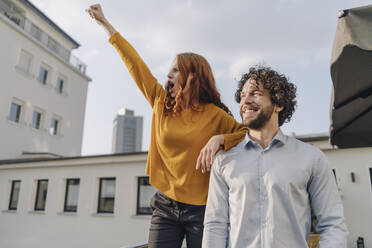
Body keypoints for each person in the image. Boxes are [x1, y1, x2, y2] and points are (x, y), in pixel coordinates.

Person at [87, 4, 247, 248]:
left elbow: (245, 134)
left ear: (192, 76)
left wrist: (219, 140)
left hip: (203, 211)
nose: (168, 75)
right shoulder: (161, 103)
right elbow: (134, 64)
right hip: (165, 206)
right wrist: (105, 24)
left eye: (175, 70)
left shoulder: (216, 116)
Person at [202, 66, 348, 247]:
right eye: (242, 96)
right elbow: (215, 225)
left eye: (254, 94)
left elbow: (333, 223)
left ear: (279, 103)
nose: (245, 101)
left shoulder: (311, 158)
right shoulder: (224, 162)